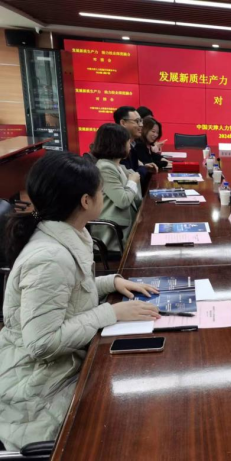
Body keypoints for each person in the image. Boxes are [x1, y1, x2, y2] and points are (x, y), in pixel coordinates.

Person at [0, 152, 160, 451]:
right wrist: (110, 313)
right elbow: (41, 343)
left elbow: (69, 292)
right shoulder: (50, 258)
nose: (103, 196)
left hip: (62, 364)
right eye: (101, 191)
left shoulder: (65, 234)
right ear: (86, 201)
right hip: (38, 388)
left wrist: (111, 282)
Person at [91, 124, 143, 252]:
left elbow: (136, 198)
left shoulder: (117, 166)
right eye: (128, 142)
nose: (130, 147)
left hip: (126, 225)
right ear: (118, 144)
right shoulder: (105, 168)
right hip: (113, 233)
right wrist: (132, 181)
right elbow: (123, 200)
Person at [113, 106, 157, 183]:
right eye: (137, 121)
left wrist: (144, 167)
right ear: (123, 123)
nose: (141, 125)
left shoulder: (132, 145)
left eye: (141, 121)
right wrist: (143, 168)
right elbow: (131, 177)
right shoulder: (117, 148)